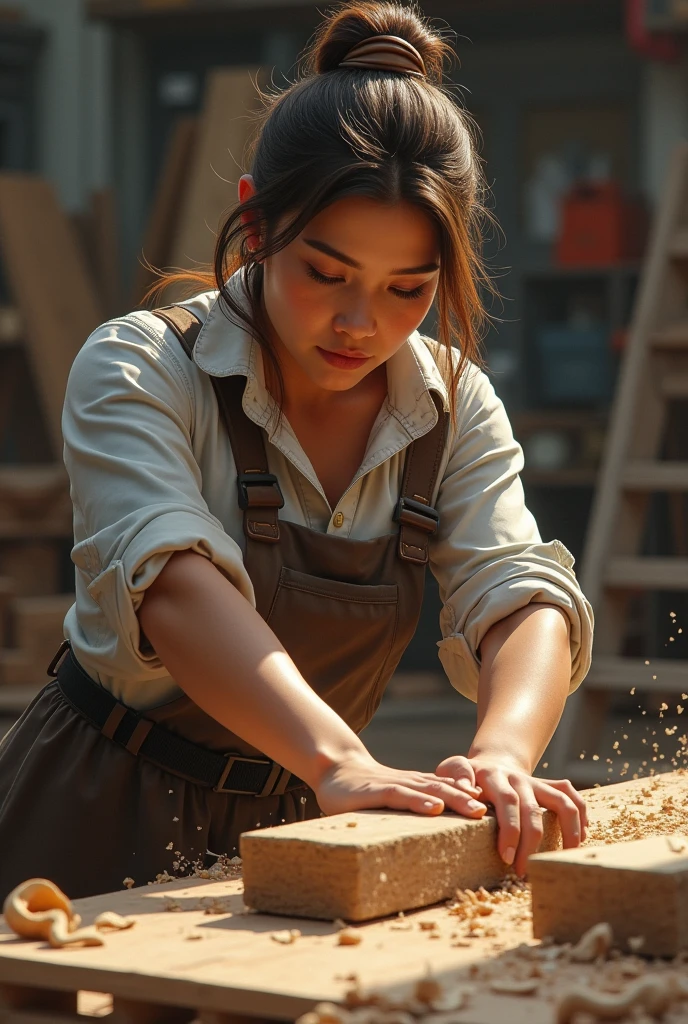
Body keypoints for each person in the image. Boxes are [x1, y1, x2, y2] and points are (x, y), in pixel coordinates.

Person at [0, 1, 593, 901]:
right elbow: (172, 584)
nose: (364, 324)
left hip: (303, 824)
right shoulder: (140, 365)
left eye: (408, 288)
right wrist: (341, 760)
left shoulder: (451, 402)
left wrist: (500, 756)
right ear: (257, 219)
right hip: (94, 804)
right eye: (326, 273)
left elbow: (519, 590)